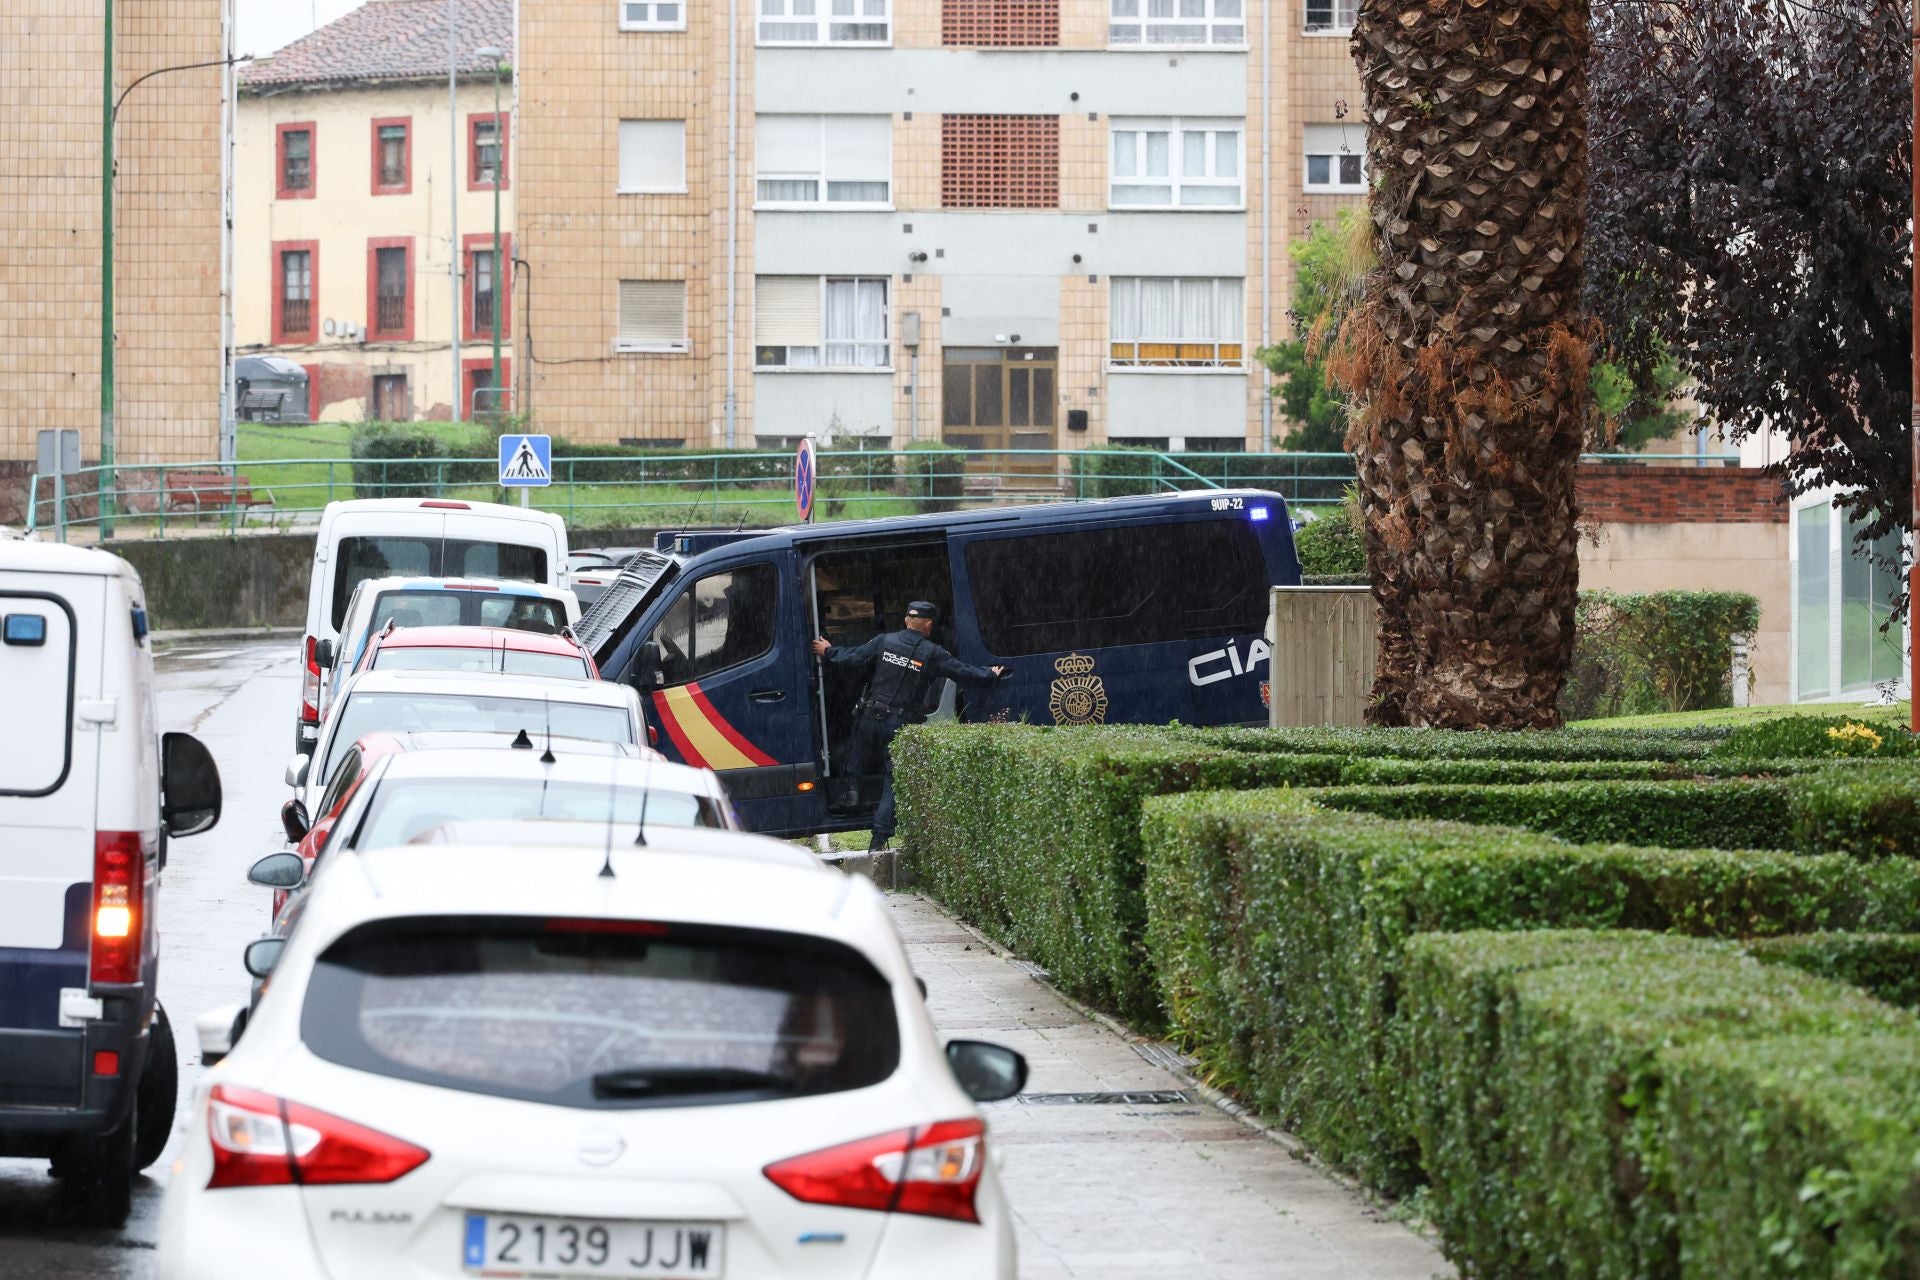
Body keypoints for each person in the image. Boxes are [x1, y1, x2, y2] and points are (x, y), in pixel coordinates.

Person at [812, 601, 1006, 850]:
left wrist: (828, 651)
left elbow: (854, 658)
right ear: (929, 625)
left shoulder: (883, 641)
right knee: (892, 780)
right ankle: (878, 840)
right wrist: (990, 674)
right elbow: (962, 671)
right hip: (898, 724)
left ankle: (849, 796)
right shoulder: (933, 653)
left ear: (906, 621)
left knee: (854, 760)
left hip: (869, 717)